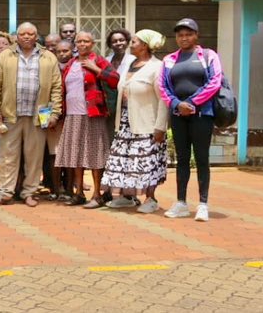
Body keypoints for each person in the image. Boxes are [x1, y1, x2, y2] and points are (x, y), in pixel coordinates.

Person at [0, 22, 63, 207]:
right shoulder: (6, 55)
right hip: (10, 115)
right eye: (23, 34)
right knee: (7, 156)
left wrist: (55, 113)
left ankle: (29, 192)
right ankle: (5, 192)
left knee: (34, 157)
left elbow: (56, 87)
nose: (27, 37)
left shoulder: (48, 57)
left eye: (31, 34)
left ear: (36, 36)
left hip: (38, 116)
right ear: (17, 36)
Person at [159, 18, 223, 222]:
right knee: (182, 159)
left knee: (202, 158)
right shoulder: (169, 59)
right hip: (179, 116)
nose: (184, 38)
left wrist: (193, 103)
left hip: (202, 115)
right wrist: (177, 104)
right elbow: (162, 87)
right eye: (180, 35)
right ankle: (181, 203)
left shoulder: (208, 56)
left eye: (188, 34)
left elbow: (215, 82)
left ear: (196, 35)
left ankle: (203, 204)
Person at [101, 30, 168, 214]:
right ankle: (128, 197)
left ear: (145, 45)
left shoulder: (157, 67)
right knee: (125, 160)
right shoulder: (131, 63)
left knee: (146, 161)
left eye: (135, 41)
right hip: (125, 120)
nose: (131, 44)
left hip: (147, 122)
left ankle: (150, 198)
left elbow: (163, 98)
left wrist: (160, 127)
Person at [55, 32, 120, 209]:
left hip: (92, 114)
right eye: (79, 41)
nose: (82, 44)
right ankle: (79, 193)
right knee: (76, 155)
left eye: (86, 41)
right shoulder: (71, 63)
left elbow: (115, 80)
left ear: (92, 43)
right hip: (72, 115)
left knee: (94, 154)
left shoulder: (98, 60)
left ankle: (97, 194)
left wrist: (96, 69)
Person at [46, 40, 74, 201]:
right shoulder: (50, 67)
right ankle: (55, 189)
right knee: (54, 154)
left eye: (66, 51)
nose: (63, 54)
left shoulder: (77, 66)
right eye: (59, 51)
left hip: (72, 116)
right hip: (54, 116)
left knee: (70, 155)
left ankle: (70, 189)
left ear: (72, 51)